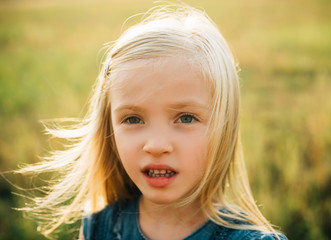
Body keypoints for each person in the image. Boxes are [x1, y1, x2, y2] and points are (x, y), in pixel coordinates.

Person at [18, 3, 287, 240]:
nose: (156, 146)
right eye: (133, 118)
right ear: (108, 127)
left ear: (224, 126)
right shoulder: (98, 228)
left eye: (185, 118)